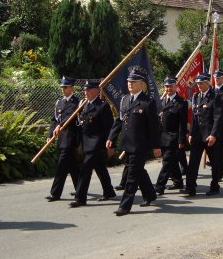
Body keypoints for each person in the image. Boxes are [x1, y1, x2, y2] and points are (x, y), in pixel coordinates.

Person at [107, 69, 161, 216]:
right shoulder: (124, 100)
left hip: (140, 145)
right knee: (138, 172)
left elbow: (154, 127)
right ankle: (150, 195)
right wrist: (111, 138)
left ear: (142, 84)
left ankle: (124, 206)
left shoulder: (148, 102)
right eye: (129, 82)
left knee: (132, 176)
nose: (130, 84)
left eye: (133, 82)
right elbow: (119, 121)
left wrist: (156, 146)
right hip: (127, 144)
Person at [70, 80, 116, 208]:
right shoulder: (84, 105)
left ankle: (80, 198)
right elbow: (81, 126)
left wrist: (110, 145)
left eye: (89, 90)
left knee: (85, 170)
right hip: (86, 143)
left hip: (96, 143)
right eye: (85, 90)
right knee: (100, 168)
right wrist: (79, 143)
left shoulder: (102, 106)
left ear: (97, 90)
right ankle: (109, 191)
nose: (86, 92)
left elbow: (108, 127)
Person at [184, 73, 223, 196]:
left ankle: (215, 185)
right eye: (198, 83)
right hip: (197, 135)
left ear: (207, 83)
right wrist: (191, 133)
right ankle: (190, 187)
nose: (199, 86)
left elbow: (218, 118)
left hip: (209, 135)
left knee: (214, 162)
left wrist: (214, 134)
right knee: (193, 162)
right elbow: (195, 117)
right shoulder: (196, 96)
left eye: (201, 83)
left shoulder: (215, 97)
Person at [45, 77, 80, 202]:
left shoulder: (76, 102)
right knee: (73, 166)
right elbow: (55, 120)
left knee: (61, 166)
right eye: (62, 87)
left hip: (70, 138)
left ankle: (55, 193)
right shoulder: (59, 102)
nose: (63, 89)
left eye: (65, 87)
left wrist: (60, 125)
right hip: (61, 139)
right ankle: (80, 190)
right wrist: (50, 135)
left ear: (72, 88)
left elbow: (70, 116)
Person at [154, 77, 188, 194]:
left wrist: (181, 140)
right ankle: (178, 181)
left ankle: (159, 186)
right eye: (166, 86)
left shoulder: (181, 103)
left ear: (175, 87)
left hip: (173, 137)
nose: (168, 88)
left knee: (167, 161)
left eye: (171, 86)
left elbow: (182, 124)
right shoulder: (161, 101)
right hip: (162, 137)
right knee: (172, 162)